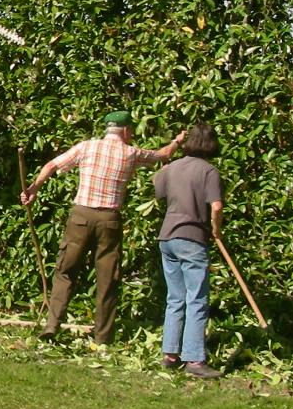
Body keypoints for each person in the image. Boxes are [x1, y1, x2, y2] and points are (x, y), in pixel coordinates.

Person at [21, 111, 184, 345]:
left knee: (66, 270)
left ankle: (52, 326)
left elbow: (51, 165)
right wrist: (177, 141)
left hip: (80, 217)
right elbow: (162, 155)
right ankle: (102, 338)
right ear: (126, 131)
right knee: (108, 278)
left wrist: (33, 188)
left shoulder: (86, 146)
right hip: (109, 220)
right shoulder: (131, 152)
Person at [153, 122, 224, 379]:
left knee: (175, 297)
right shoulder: (209, 171)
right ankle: (194, 359)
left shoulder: (171, 167)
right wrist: (216, 230)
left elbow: (157, 188)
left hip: (167, 238)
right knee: (197, 299)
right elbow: (215, 207)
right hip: (192, 239)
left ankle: (170, 354)